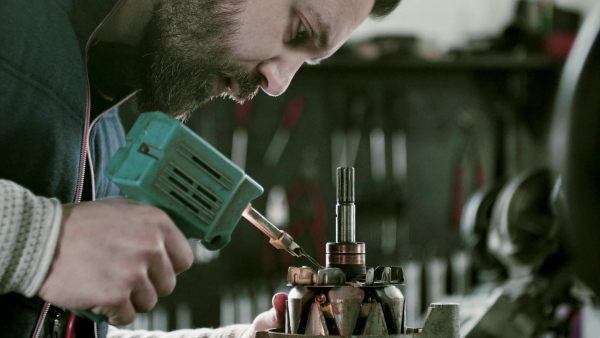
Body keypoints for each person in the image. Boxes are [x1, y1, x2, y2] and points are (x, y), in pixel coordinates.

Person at [0, 0, 401, 337]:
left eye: (307, 61)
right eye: (299, 30)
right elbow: (35, 245)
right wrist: (36, 238)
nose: (279, 83)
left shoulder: (103, 116)